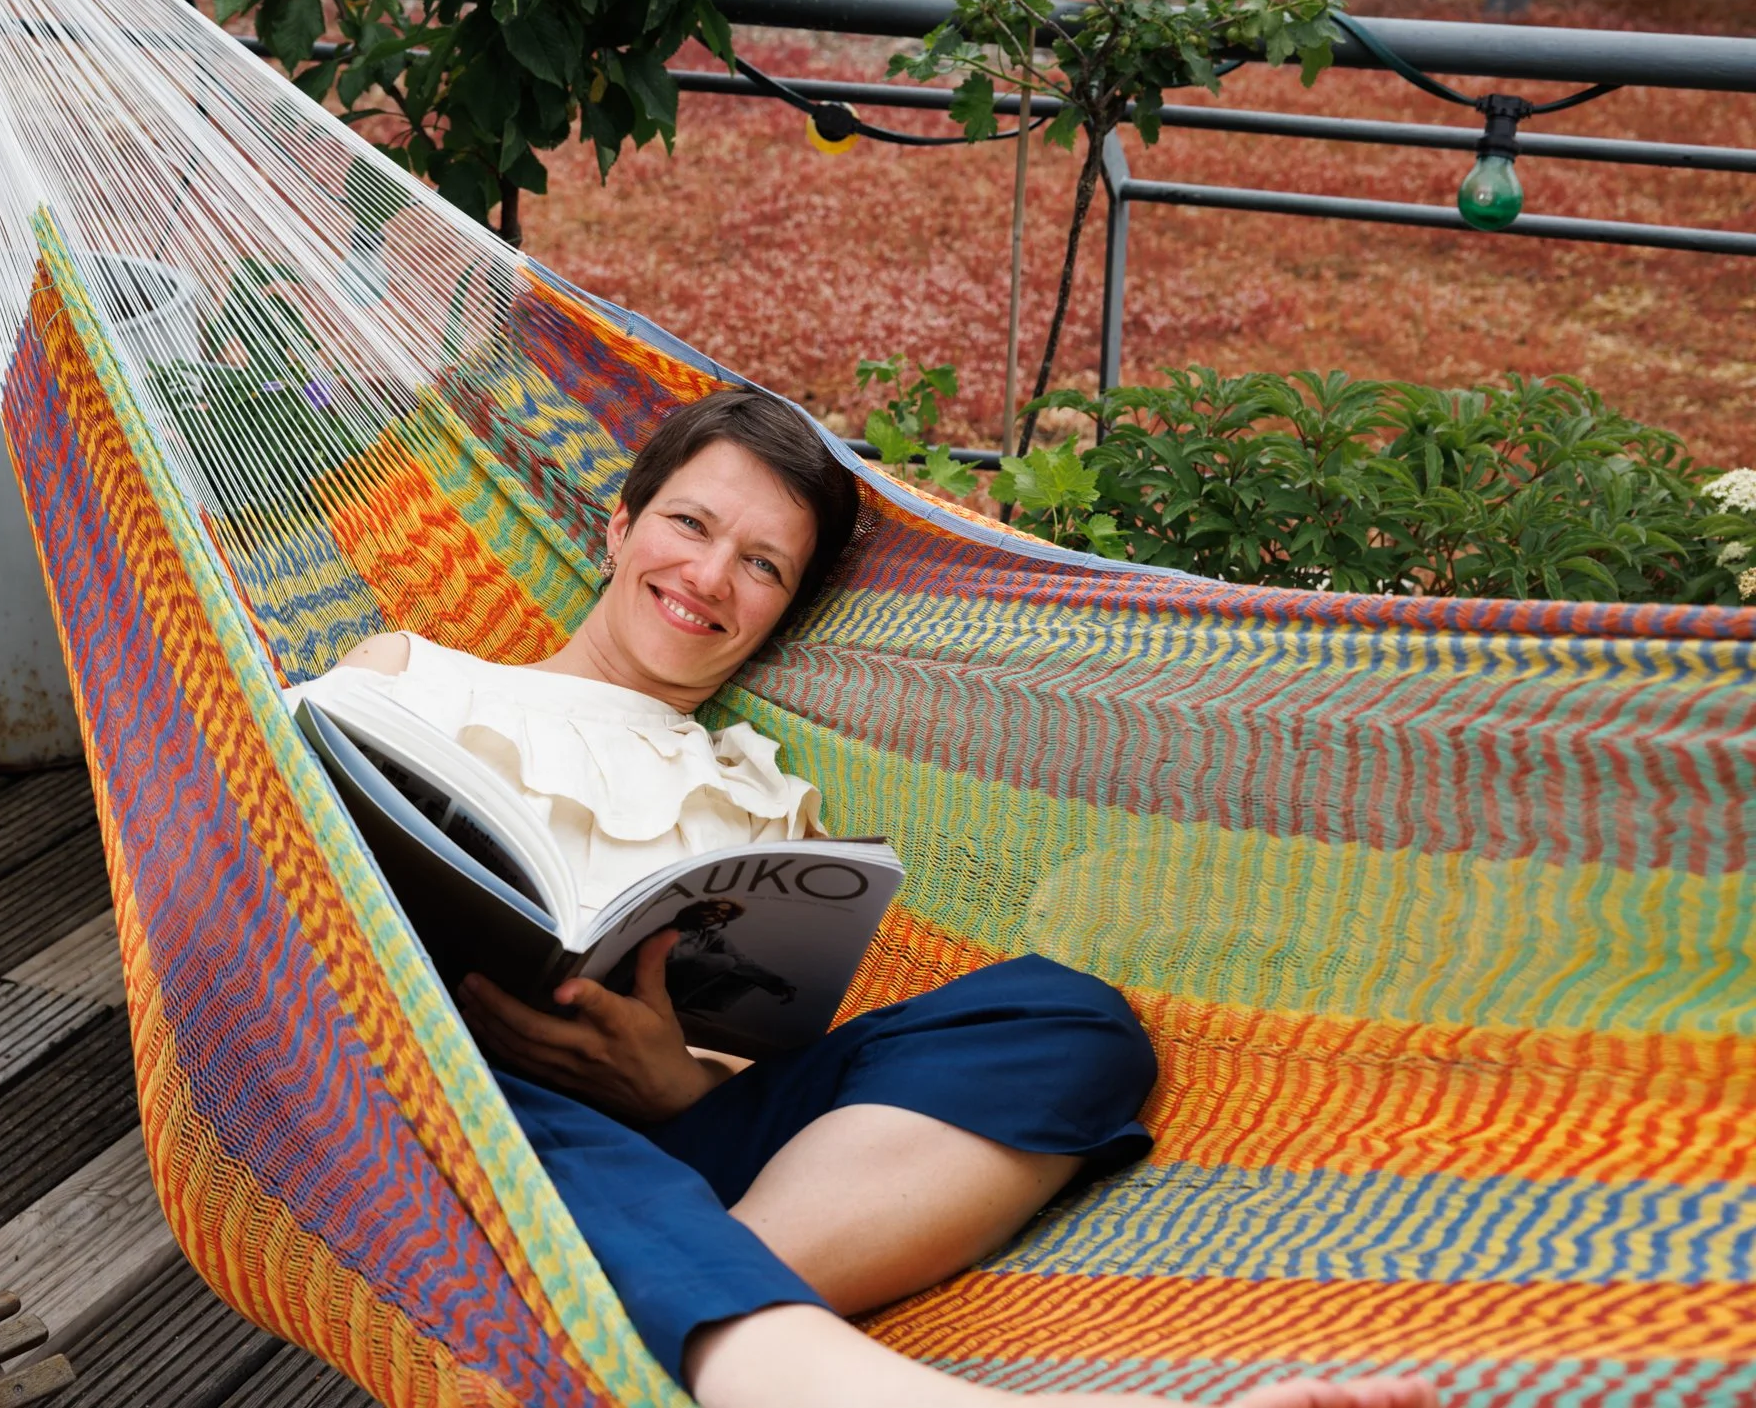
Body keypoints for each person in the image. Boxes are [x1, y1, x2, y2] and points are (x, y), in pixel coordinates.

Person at [304, 388, 1435, 1408]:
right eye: (690, 524)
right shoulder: (412, 677)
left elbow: (761, 1058)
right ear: (619, 526)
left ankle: (673, 1318)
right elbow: (267, 871)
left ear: (783, 608)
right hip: (422, 1099)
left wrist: (674, 1083)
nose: (709, 576)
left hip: (676, 1146)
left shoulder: (768, 806)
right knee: (481, 1094)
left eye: (762, 565)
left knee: (1065, 1016)